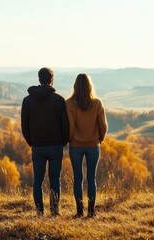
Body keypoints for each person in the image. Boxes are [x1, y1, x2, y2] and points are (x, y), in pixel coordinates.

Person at [21, 67, 69, 216]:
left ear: (39, 79)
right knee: (55, 180)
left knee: (38, 180)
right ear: (52, 80)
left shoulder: (27, 100)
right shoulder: (59, 100)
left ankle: (39, 212)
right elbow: (65, 124)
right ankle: (54, 212)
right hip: (55, 145)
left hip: (37, 145)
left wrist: (31, 141)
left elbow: (24, 125)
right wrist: (64, 141)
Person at [66, 73, 108, 218]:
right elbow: (103, 125)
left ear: (75, 86)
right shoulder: (97, 103)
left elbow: (70, 125)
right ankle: (91, 211)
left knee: (78, 179)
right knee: (92, 179)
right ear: (90, 86)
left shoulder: (69, 103)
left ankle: (79, 211)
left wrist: (70, 139)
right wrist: (100, 138)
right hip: (93, 146)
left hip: (75, 146)